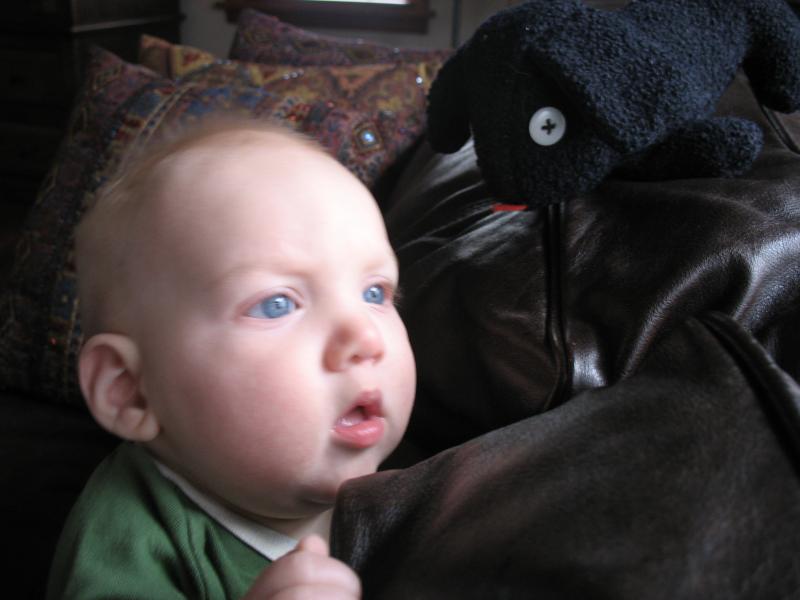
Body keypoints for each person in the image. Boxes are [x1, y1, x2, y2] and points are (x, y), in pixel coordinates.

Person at [46, 117, 417, 599]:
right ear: (133, 392)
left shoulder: (421, 487)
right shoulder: (129, 543)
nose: (365, 337)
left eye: (374, 293)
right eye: (276, 304)